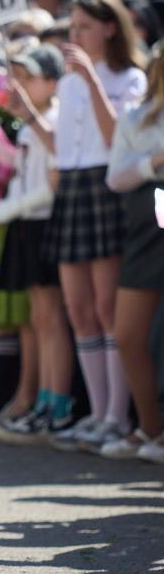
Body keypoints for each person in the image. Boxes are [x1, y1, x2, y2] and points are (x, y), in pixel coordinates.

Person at [9, 0, 147, 453]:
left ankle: (114, 416)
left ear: (111, 27)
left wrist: (91, 81)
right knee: (78, 309)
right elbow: (60, 146)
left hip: (106, 187)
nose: (77, 35)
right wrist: (25, 113)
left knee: (108, 309)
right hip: (72, 186)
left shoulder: (130, 77)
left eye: (85, 26)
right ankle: (95, 416)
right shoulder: (67, 83)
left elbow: (118, 141)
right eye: (73, 27)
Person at [0, 44, 75, 444]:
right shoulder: (29, 122)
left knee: (53, 319)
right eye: (16, 77)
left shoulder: (56, 117)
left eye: (29, 78)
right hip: (26, 222)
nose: (19, 86)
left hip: (44, 222)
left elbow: (59, 162)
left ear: (52, 83)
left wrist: (10, 208)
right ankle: (42, 401)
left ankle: (58, 405)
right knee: (39, 319)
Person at [102, 41, 164, 462]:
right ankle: (149, 429)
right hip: (146, 234)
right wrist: (154, 162)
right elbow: (115, 178)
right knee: (128, 335)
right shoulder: (135, 117)